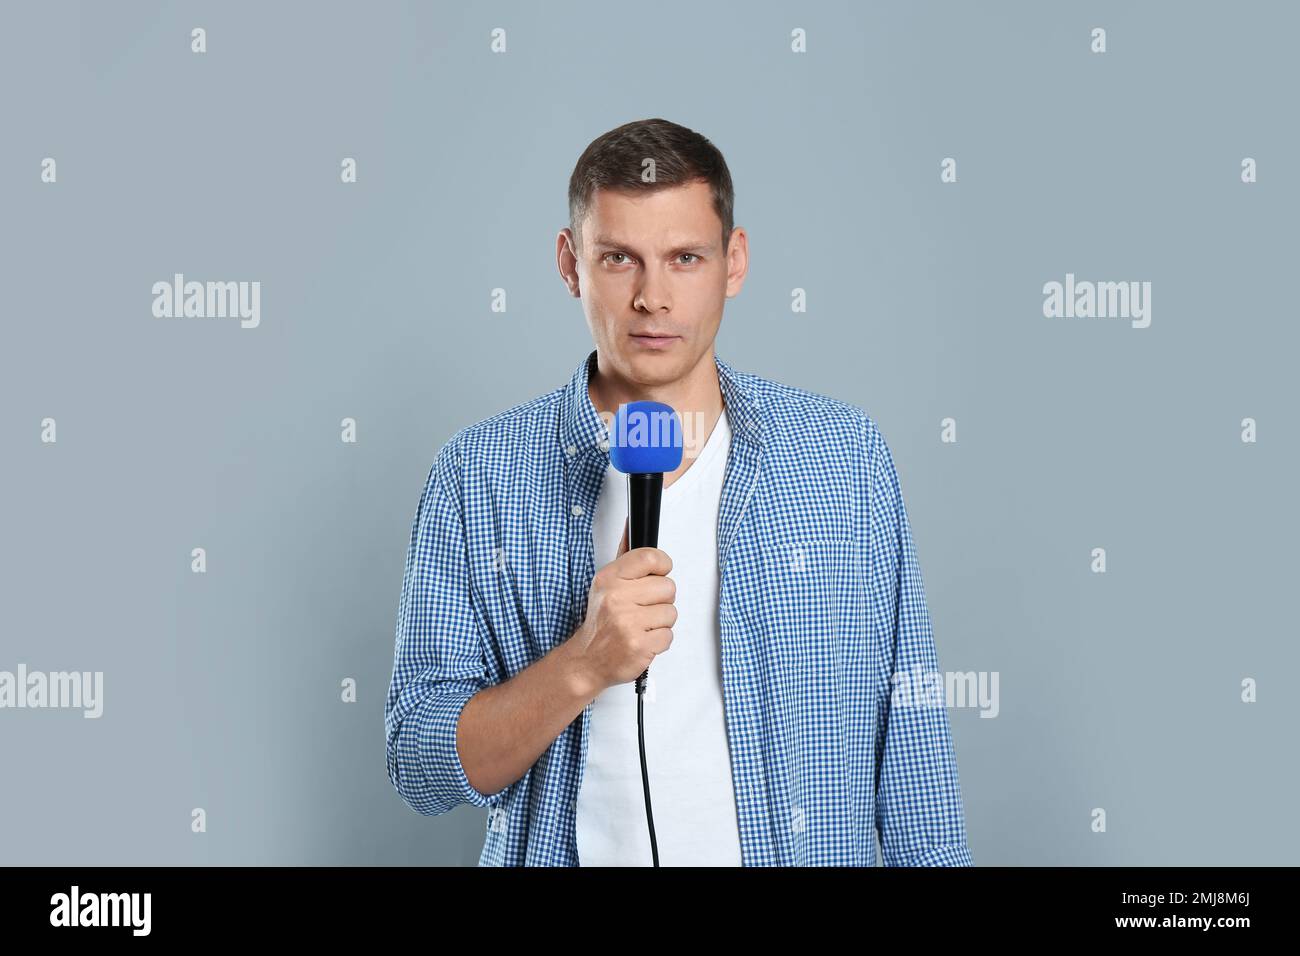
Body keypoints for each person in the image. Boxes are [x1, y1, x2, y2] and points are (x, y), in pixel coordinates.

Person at [384, 118, 973, 867]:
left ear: (735, 262)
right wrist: (583, 663)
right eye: (619, 259)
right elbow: (421, 765)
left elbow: (914, 751)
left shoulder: (842, 458)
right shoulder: (479, 475)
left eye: (685, 258)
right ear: (571, 264)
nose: (652, 298)